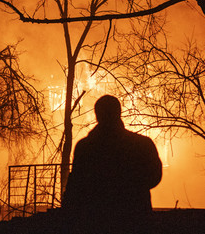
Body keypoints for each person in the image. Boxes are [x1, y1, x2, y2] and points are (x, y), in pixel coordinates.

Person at [63, 95, 162, 233]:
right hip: (135, 219)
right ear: (119, 113)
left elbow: (76, 188)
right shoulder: (142, 144)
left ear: (97, 115)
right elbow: (155, 177)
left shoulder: (85, 147)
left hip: (95, 221)